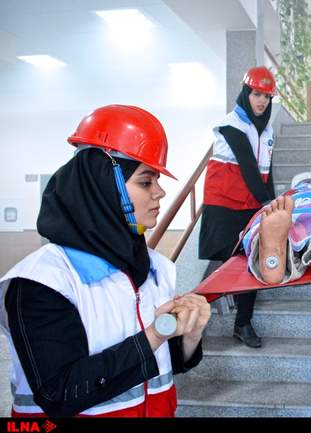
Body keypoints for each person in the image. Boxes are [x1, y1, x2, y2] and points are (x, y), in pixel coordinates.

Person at [0, 105, 211, 417]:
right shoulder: (41, 281)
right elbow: (59, 393)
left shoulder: (156, 268)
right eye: (146, 182)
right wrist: (155, 333)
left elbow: (165, 361)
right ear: (104, 186)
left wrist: (190, 334)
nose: (160, 193)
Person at [199, 66, 276, 348]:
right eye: (257, 94)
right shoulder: (232, 125)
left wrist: (274, 202)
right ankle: (230, 319)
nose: (262, 101)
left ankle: (242, 322)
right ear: (245, 93)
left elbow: (267, 171)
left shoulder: (266, 130)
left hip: (249, 204)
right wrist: (268, 203)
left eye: (267, 96)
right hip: (225, 205)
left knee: (251, 261)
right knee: (238, 263)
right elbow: (247, 167)